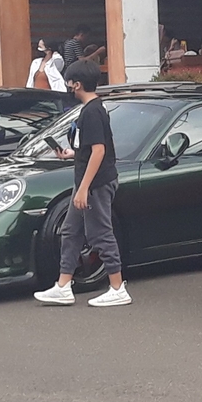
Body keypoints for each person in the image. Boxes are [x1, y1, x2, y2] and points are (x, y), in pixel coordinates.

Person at [34, 62, 129, 309]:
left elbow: (100, 151)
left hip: (96, 183)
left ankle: (118, 288)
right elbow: (91, 151)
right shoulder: (93, 109)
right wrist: (71, 154)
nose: (67, 87)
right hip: (88, 181)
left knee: (100, 233)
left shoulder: (92, 112)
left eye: (69, 82)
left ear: (77, 84)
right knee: (70, 231)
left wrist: (84, 187)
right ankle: (63, 286)